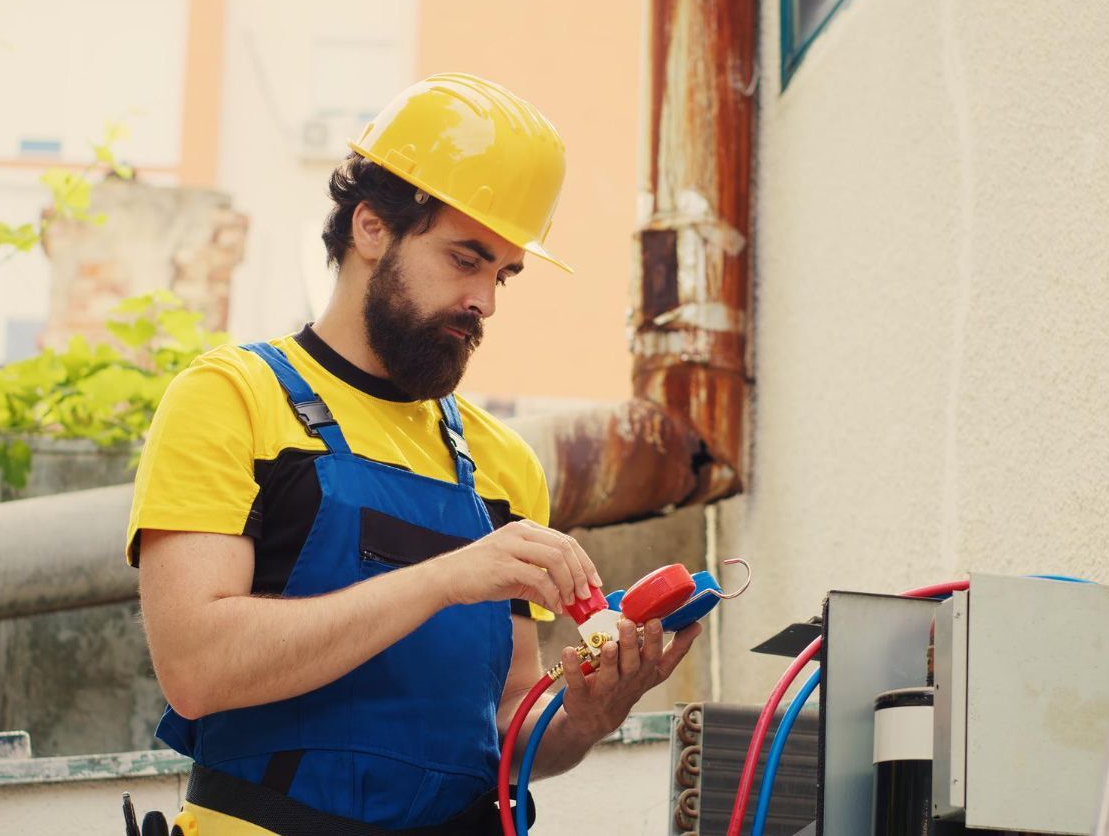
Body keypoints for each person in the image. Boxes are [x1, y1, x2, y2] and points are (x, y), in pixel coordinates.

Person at [125, 73, 701, 834]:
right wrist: (446, 578)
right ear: (371, 228)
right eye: (466, 259)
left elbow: (508, 719)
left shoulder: (503, 464)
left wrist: (587, 717)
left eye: (503, 274)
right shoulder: (231, 398)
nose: (485, 301)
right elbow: (197, 669)